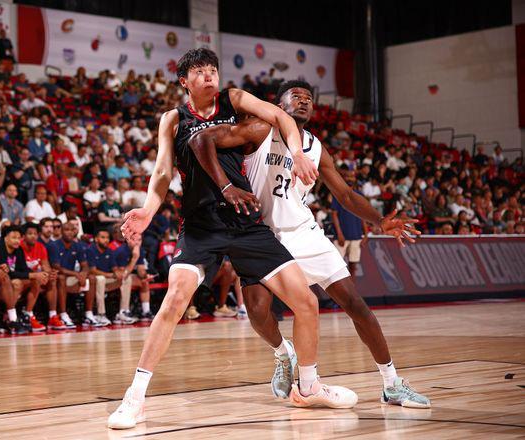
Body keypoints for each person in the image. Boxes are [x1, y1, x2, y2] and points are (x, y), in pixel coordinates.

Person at [109, 49, 346, 430]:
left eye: (213, 70)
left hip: (245, 220)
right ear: (184, 81)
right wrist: (148, 210)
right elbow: (162, 172)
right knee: (174, 300)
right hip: (201, 224)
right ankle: (134, 399)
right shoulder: (173, 119)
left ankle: (309, 386)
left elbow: (281, 117)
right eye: (200, 72)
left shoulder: (234, 100)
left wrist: (298, 154)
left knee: (306, 302)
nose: (209, 76)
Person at [189, 80, 430, 408]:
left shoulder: (316, 148)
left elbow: (345, 195)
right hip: (262, 235)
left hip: (304, 232)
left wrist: (379, 221)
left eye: (308, 98)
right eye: (296, 97)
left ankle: (392, 383)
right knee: (257, 311)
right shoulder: (260, 129)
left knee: (355, 304)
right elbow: (202, 138)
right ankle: (283, 353)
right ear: (279, 106)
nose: (304, 101)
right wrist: (226, 186)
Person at [0, 226, 49, 334]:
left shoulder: (18, 250)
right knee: (17, 283)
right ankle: (9, 319)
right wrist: (33, 275)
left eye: (19, 238)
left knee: (35, 280)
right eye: (14, 237)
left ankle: (27, 315)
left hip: (10, 284)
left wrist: (40, 275)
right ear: (5, 238)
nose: (17, 241)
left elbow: (23, 269)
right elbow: (7, 274)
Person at [86, 228, 135, 325]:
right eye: (103, 237)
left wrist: (118, 273)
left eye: (107, 238)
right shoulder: (91, 250)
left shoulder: (109, 251)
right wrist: (109, 275)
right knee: (101, 279)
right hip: (93, 279)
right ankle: (101, 314)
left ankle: (123, 312)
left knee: (126, 278)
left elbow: (114, 267)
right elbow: (92, 270)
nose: (106, 240)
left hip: (106, 279)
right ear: (96, 239)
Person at [20, 223, 63, 331]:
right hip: (23, 278)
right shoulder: (19, 247)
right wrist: (39, 275)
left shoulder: (40, 247)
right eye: (30, 233)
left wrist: (50, 274)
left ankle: (52, 316)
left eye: (35, 234)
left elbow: (46, 266)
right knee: (37, 279)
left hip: (36, 277)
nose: (33, 236)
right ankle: (28, 316)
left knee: (52, 280)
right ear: (23, 236)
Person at [47, 222, 89, 328]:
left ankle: (89, 314)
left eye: (72, 230)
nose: (69, 232)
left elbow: (85, 265)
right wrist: (76, 274)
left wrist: (83, 274)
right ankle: (63, 314)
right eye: (66, 230)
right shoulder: (54, 245)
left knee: (92, 278)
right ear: (61, 231)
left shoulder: (77, 245)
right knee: (61, 278)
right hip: (55, 277)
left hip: (71, 276)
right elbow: (56, 267)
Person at [331, 171, 368, 278]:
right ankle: (336, 289)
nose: (350, 179)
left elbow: (363, 215)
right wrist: (339, 234)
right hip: (342, 236)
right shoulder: (337, 193)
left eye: (352, 177)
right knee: (337, 267)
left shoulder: (359, 195)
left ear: (355, 179)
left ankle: (352, 288)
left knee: (353, 266)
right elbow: (334, 214)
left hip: (356, 235)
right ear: (343, 178)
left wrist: (366, 234)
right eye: (347, 176)